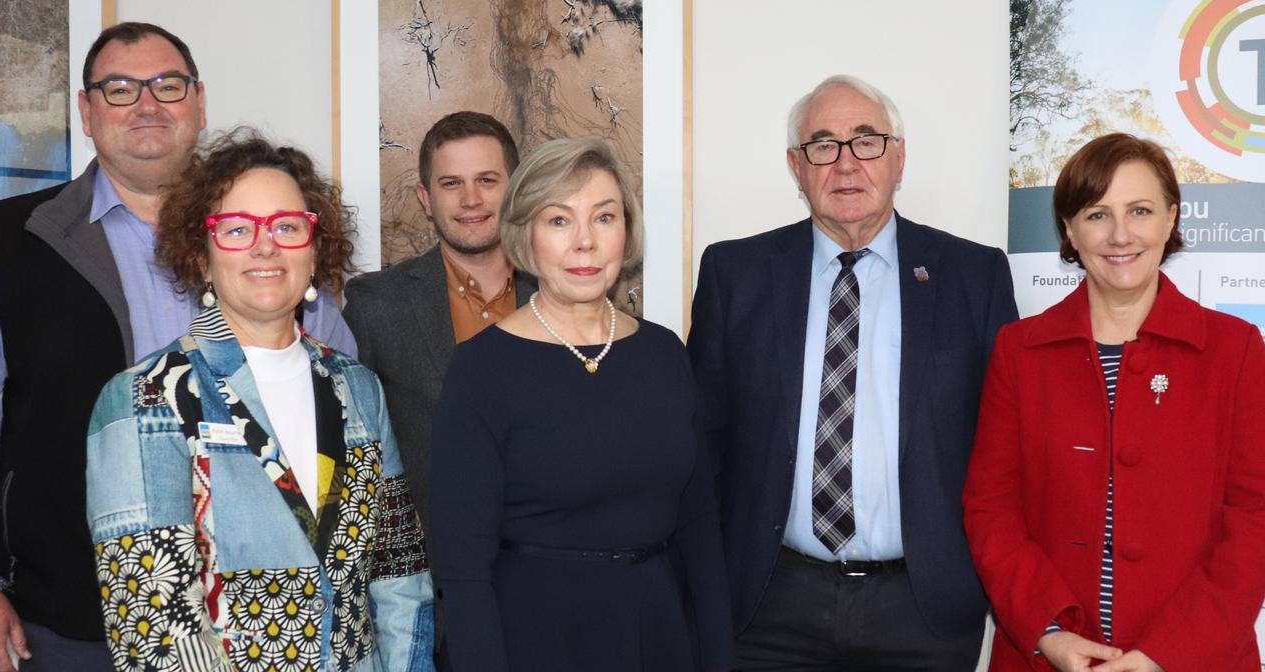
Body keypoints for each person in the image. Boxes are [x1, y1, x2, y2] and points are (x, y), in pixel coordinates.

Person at [0, 22, 354, 672]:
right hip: (71, 621)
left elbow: (344, 427)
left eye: (168, 85)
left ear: (200, 102)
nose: (147, 104)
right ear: (86, 110)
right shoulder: (8, 245)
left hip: (260, 616)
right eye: (120, 88)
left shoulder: (270, 243)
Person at [687, 74, 1018, 670]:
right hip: (768, 607)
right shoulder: (734, 275)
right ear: (797, 165)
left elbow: (1005, 447)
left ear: (898, 157)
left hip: (924, 609)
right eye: (822, 145)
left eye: (866, 141)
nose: (845, 164)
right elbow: (702, 446)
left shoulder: (974, 276)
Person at [85, 132, 433, 671]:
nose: (264, 246)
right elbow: (153, 629)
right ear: (200, 257)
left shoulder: (359, 390)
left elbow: (399, 574)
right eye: (237, 229)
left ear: (315, 252)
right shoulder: (144, 398)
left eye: (287, 227)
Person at [963, 133, 1265, 672]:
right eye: (1097, 214)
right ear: (1069, 231)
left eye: (1140, 210)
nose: (1121, 235)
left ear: (1171, 220)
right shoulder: (1019, 351)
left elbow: (1255, 519)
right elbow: (991, 508)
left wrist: (1161, 655)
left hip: (1197, 655)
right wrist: (1049, 632)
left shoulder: (1236, 350)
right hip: (1047, 655)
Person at [430, 137, 734, 671]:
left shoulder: (664, 353)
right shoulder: (481, 370)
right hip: (536, 636)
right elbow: (462, 566)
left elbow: (700, 525)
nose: (585, 243)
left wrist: (718, 657)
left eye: (604, 217)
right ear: (526, 235)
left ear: (626, 232)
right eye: (559, 220)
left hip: (659, 631)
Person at [344, 111, 534, 542]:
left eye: (487, 180)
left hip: (551, 567)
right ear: (426, 198)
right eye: (451, 184)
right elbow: (359, 458)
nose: (471, 200)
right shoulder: (376, 306)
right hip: (431, 580)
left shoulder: (562, 295)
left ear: (517, 190)